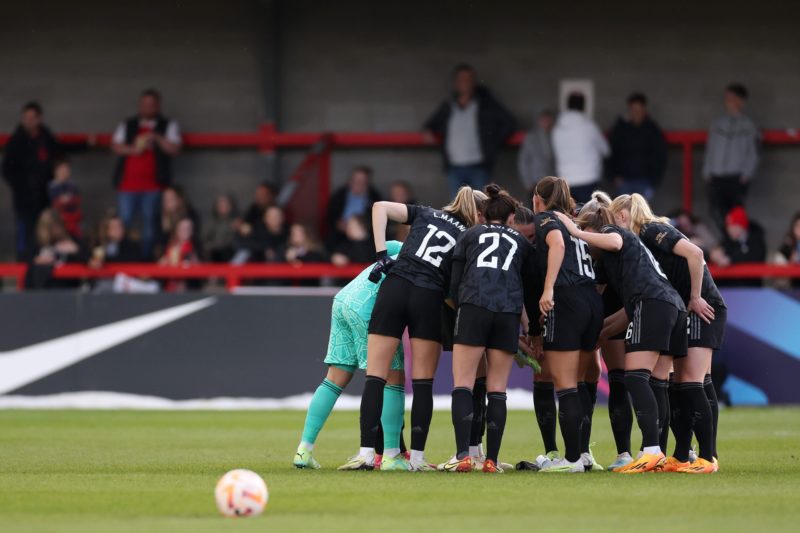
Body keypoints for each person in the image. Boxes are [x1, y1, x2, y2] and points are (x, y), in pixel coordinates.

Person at [338, 186, 481, 471]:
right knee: (422, 382)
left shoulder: (426, 213)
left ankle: (367, 452)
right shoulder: (469, 236)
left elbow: (379, 206)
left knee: (375, 377)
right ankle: (416, 458)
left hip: (395, 287)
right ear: (476, 213)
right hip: (428, 296)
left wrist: (381, 254)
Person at [554, 199, 687, 474]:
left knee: (635, 376)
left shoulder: (610, 233)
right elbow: (625, 312)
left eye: (584, 232)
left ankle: (650, 449)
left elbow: (612, 242)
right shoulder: (618, 262)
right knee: (658, 380)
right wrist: (600, 330)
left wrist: (574, 230)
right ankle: (657, 452)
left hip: (654, 305)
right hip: (671, 306)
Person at [613, 193, 725, 474]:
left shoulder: (651, 230)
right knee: (685, 384)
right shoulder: (644, 245)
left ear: (623, 216)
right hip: (686, 308)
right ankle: (682, 455)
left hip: (700, 307)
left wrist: (696, 297)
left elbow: (696, 253)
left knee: (691, 381)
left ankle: (708, 458)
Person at [440, 185, 539, 473]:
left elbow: (454, 284)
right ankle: (492, 460)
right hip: (506, 313)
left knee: (463, 383)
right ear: (511, 217)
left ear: (482, 215)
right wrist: (530, 328)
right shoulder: (521, 243)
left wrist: (464, 308)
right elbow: (530, 290)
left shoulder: (469, 235)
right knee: (497, 389)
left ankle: (463, 456)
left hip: (473, 308)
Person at [294, 241, 407, 471]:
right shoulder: (433, 259)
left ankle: (303, 450)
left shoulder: (405, 245)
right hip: (370, 308)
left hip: (346, 298)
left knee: (334, 379)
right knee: (392, 378)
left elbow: (382, 246)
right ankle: (392, 456)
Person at [529, 177, 604, 473]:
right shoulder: (574, 221)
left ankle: (570, 459)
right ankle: (584, 454)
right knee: (582, 381)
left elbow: (557, 244)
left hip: (568, 300)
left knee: (565, 384)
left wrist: (548, 289)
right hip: (591, 300)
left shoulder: (547, 219)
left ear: (538, 198)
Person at [424, 64, 516, 196]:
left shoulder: (485, 104)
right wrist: (430, 133)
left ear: (474, 82)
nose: (465, 84)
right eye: (461, 80)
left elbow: (509, 123)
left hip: (478, 166)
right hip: (454, 167)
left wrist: (492, 143)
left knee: (481, 205)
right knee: (457, 209)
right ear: (456, 83)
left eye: (468, 80)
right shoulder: (449, 106)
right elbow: (430, 125)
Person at [111, 88, 181, 259]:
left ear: (158, 106)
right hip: (128, 185)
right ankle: (120, 260)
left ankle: (146, 263)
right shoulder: (128, 124)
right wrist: (134, 149)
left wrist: (156, 138)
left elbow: (175, 148)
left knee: (151, 227)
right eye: (144, 104)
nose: (147, 108)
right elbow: (116, 146)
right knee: (122, 224)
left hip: (154, 186)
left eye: (151, 104)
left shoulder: (167, 125)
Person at [2, 101, 64, 260]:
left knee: (46, 233)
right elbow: (7, 170)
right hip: (24, 201)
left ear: (39, 118)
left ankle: (43, 268)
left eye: (32, 117)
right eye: (26, 117)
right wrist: (24, 186)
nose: (29, 121)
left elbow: (59, 155)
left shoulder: (47, 138)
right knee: (25, 236)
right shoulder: (16, 142)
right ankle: (23, 269)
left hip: (45, 198)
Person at [702, 84, 760, 231]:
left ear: (741, 101)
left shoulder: (749, 125)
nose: (729, 101)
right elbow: (710, 149)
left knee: (736, 215)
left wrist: (747, 174)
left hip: (736, 177)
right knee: (716, 212)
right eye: (727, 98)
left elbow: (753, 152)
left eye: (733, 98)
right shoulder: (717, 124)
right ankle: (725, 242)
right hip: (717, 176)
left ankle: (736, 245)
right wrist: (707, 171)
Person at [551, 93, 610, 203]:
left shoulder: (557, 129)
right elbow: (606, 150)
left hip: (565, 180)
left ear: (568, 106)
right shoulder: (589, 126)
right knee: (588, 217)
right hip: (588, 179)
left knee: (569, 217)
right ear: (583, 106)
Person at [608, 93, 667, 200]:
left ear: (644, 110)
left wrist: (654, 181)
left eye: (638, 110)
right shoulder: (620, 129)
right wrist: (614, 176)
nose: (635, 113)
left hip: (645, 182)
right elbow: (611, 153)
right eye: (633, 110)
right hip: (623, 181)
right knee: (624, 214)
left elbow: (660, 156)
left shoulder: (652, 130)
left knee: (642, 215)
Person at [24, 209, 88, 289]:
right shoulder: (37, 243)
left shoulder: (73, 241)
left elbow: (86, 257)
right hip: (46, 288)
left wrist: (72, 250)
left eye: (58, 225)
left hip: (69, 286)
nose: (56, 230)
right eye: (52, 227)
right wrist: (38, 260)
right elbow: (28, 260)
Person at [710, 206, 767, 287]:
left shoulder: (756, 240)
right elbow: (718, 253)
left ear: (742, 226)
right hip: (728, 289)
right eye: (729, 226)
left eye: (734, 225)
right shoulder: (727, 241)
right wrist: (714, 256)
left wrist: (730, 260)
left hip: (751, 288)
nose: (730, 229)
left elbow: (755, 257)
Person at [325, 166, 381, 249]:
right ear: (350, 181)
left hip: (364, 235)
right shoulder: (340, 195)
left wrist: (362, 227)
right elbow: (330, 214)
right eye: (355, 180)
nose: (358, 184)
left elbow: (378, 218)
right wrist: (337, 223)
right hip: (340, 234)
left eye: (362, 181)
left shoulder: (374, 197)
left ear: (367, 182)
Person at [518, 109, 556, 194]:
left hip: (553, 182)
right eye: (544, 120)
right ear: (539, 121)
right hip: (535, 181)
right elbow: (524, 161)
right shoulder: (531, 137)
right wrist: (527, 182)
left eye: (548, 120)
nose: (546, 123)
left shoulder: (556, 134)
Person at [48, 159, 83, 240]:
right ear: (55, 171)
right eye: (62, 170)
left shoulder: (72, 185)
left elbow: (77, 200)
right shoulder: (52, 186)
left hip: (74, 220)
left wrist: (67, 200)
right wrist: (63, 201)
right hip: (60, 220)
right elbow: (55, 204)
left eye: (66, 169)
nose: (64, 172)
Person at [160, 185, 200, 255]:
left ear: (179, 199)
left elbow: (192, 239)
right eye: (165, 199)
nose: (167, 203)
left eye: (170, 199)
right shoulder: (161, 217)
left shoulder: (189, 215)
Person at [204, 194, 240, 262]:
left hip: (229, 254)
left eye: (225, 205)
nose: (222, 207)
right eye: (220, 205)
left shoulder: (235, 222)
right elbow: (205, 240)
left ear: (230, 207)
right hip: (213, 253)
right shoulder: (211, 222)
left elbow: (231, 242)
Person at [775, 212, 800, 288]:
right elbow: (780, 281)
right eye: (798, 226)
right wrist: (790, 262)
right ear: (793, 228)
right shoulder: (786, 248)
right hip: (792, 290)